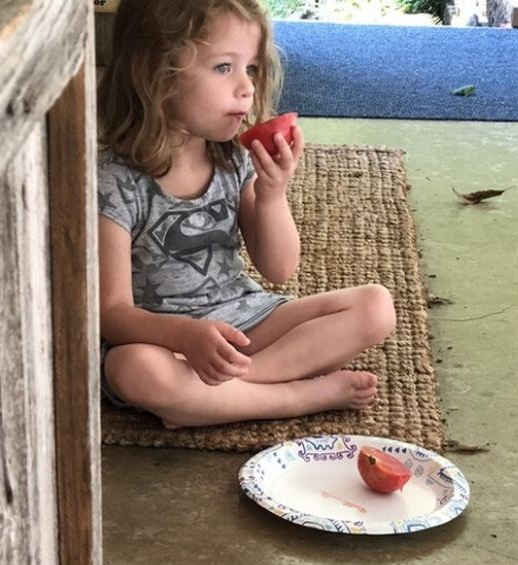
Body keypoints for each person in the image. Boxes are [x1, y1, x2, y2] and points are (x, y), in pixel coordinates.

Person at [96, 0, 396, 429]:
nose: (246, 89)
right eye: (224, 68)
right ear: (157, 74)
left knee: (375, 306)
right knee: (134, 369)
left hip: (246, 320)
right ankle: (293, 396)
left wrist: (272, 196)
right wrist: (184, 336)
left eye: (251, 69)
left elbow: (279, 268)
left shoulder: (232, 160)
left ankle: (216, 392)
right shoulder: (114, 181)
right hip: (163, 343)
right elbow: (111, 312)